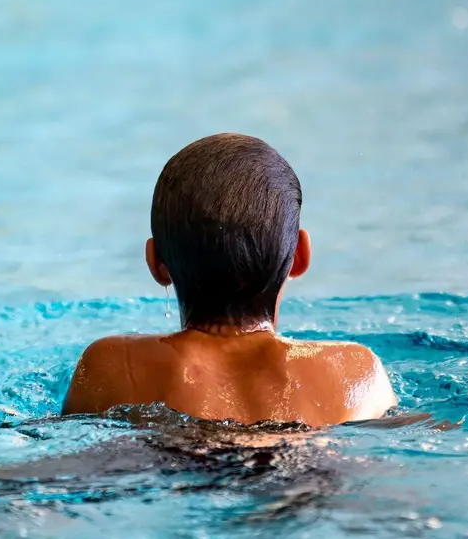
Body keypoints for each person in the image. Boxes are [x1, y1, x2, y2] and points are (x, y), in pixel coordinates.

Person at [62, 133, 397, 426]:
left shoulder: (110, 365)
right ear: (299, 256)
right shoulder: (353, 371)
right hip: (303, 474)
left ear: (156, 263)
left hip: (169, 468)